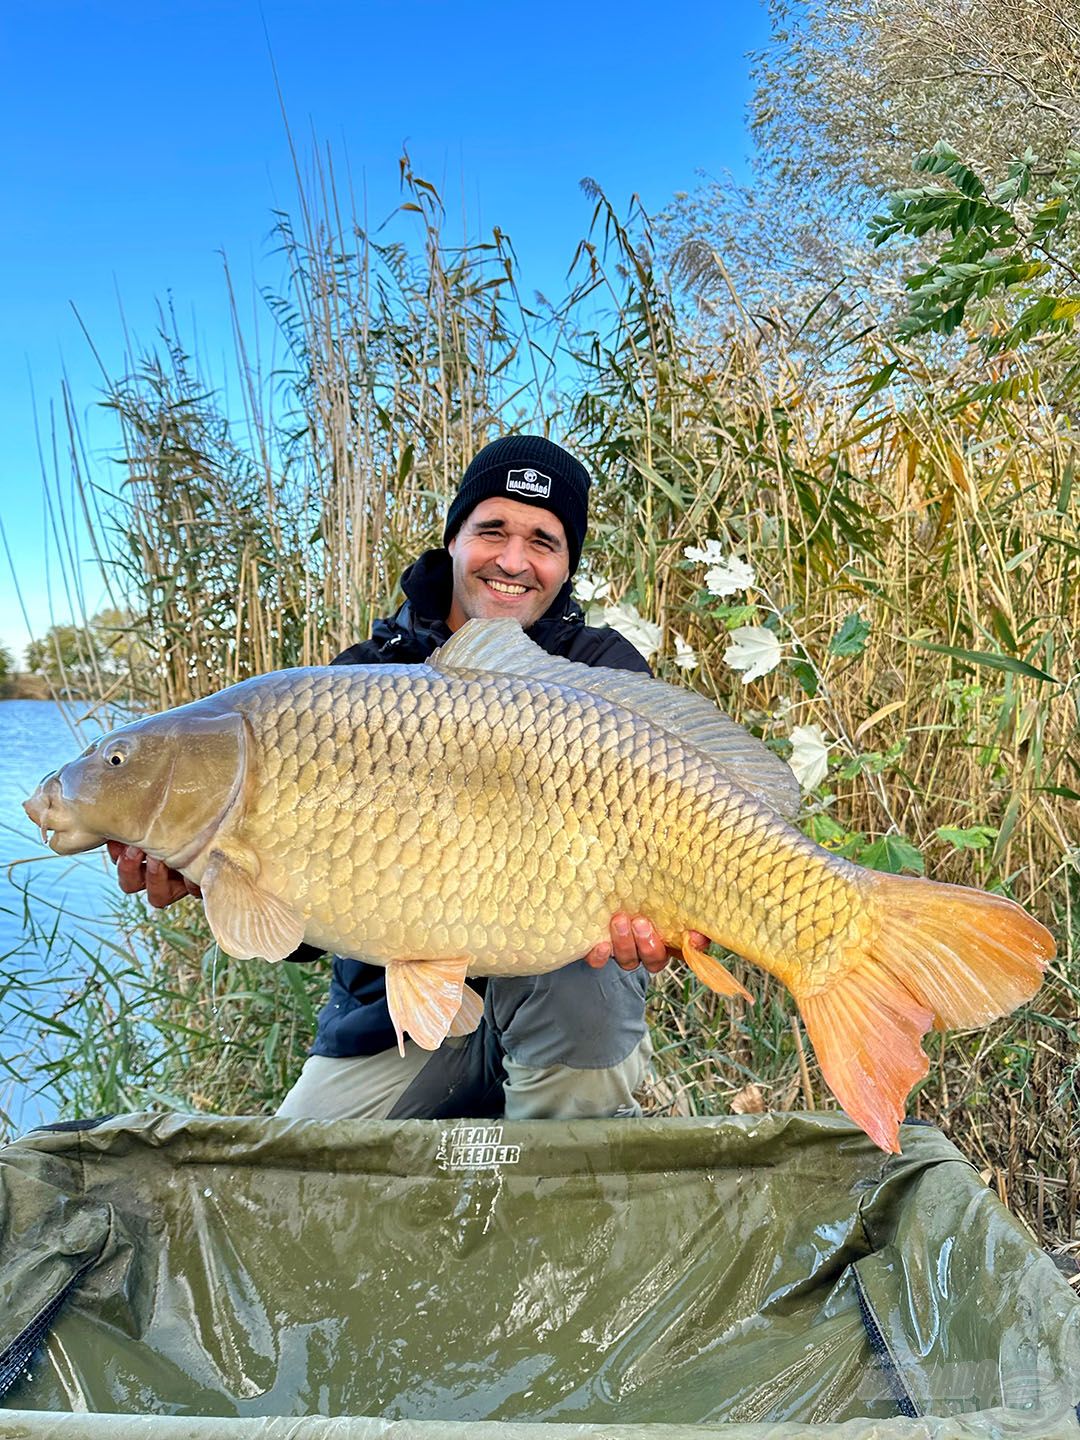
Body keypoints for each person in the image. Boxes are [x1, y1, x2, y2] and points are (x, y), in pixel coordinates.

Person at [110, 434, 705, 1122]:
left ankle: (564, 1189)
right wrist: (214, 874)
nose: (514, 561)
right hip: (389, 1017)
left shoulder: (603, 672)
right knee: (306, 1186)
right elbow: (305, 928)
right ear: (453, 540)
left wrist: (682, 917)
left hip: (561, 1004)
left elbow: (676, 838)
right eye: (492, 531)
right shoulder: (359, 679)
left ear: (567, 564)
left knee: (587, 994)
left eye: (544, 541)